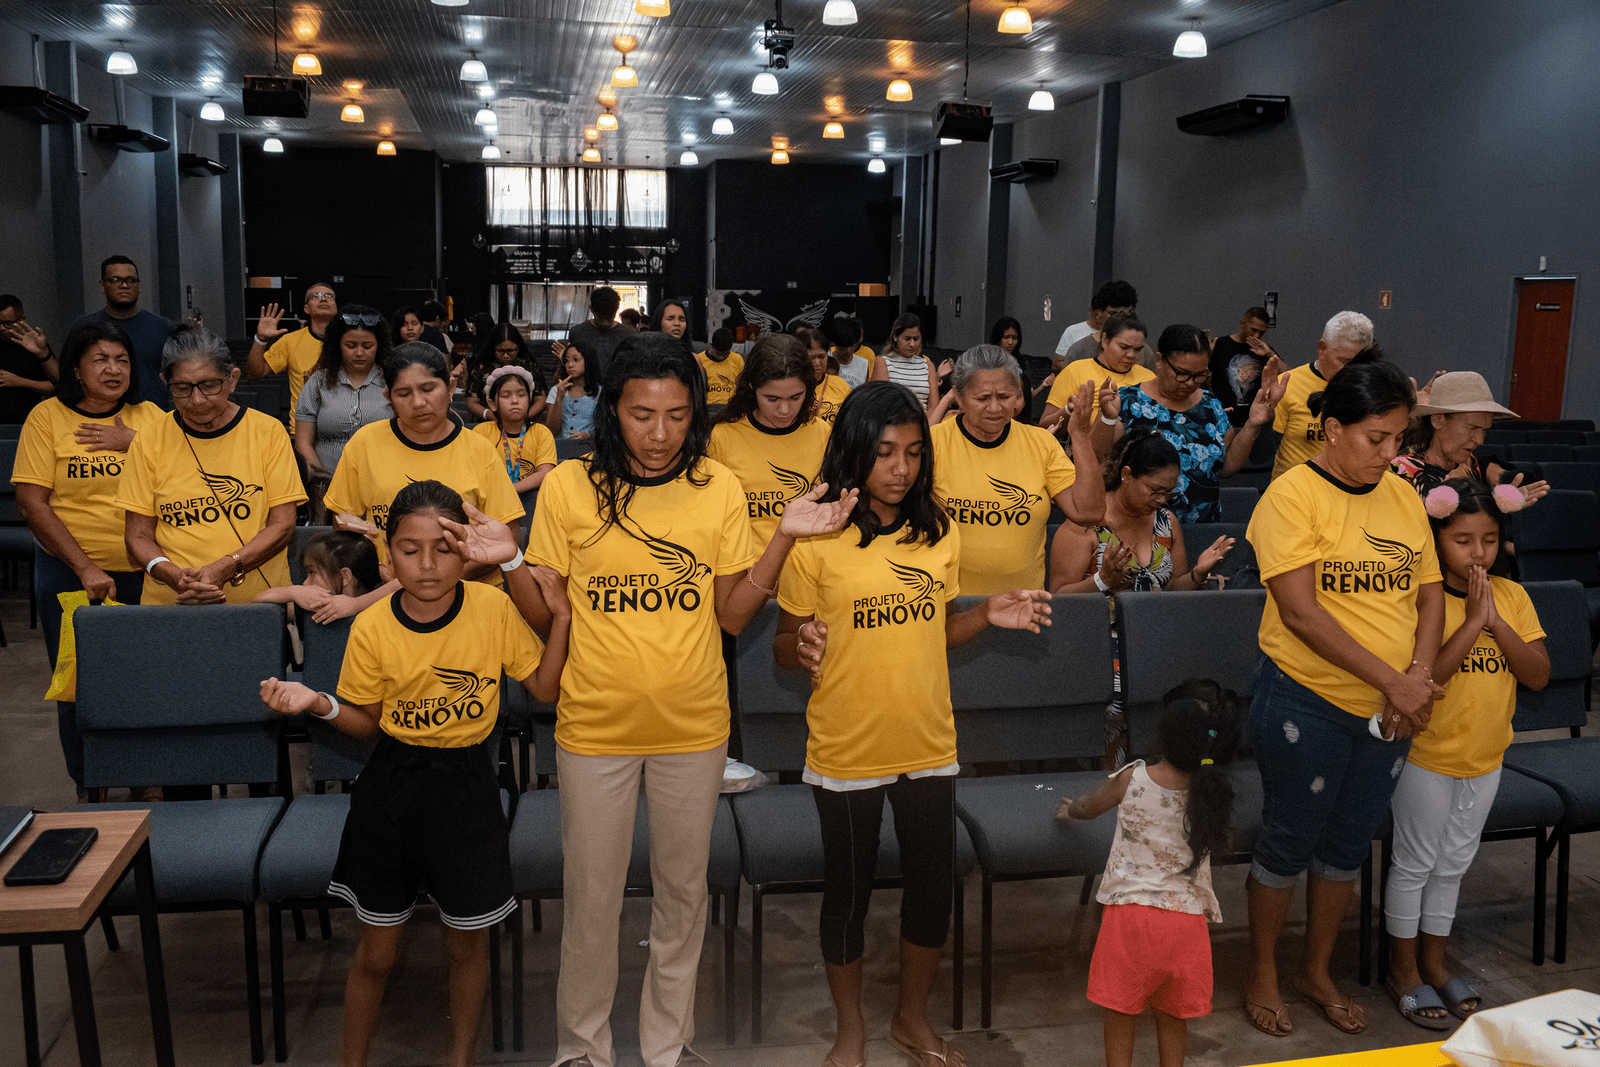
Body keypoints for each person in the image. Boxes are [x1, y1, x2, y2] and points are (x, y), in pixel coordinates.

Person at [443, 332, 857, 1067]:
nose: (660, 432)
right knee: (593, 898)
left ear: (694, 412)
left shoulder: (717, 487)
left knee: (682, 896)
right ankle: (583, 1048)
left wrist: (783, 540)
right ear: (612, 411)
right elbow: (545, 618)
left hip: (693, 726)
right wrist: (508, 560)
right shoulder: (572, 487)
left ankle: (669, 1045)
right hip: (594, 726)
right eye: (641, 414)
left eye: (675, 414)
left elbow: (732, 616)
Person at [774, 380, 1054, 1067]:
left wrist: (985, 616)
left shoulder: (939, 530)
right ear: (854, 454)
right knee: (848, 891)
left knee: (933, 886)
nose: (900, 467)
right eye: (885, 452)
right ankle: (849, 1030)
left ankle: (910, 1019)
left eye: (912, 453)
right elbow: (784, 640)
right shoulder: (817, 535)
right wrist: (800, 644)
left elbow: (934, 627)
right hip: (846, 746)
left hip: (928, 741)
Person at [258, 479, 571, 1067]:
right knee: (377, 949)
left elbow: (546, 689)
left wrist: (559, 620)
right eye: (409, 549)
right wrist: (317, 704)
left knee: (466, 944)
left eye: (444, 547)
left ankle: (460, 1060)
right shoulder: (373, 626)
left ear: (467, 549)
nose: (427, 564)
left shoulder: (492, 607)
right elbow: (368, 723)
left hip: (469, 786)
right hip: (392, 788)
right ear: (387, 556)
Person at [1242, 359, 1445, 1039]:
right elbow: (1300, 612)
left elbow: (1428, 593)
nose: (1391, 454)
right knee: (1289, 841)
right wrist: (1396, 682)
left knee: (1348, 844)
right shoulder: (1292, 496)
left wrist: (1415, 674)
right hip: (1308, 699)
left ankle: (1317, 967)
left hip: (1392, 708)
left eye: (1398, 440)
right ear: (1331, 429)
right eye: (1376, 439)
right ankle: (1264, 968)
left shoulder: (1403, 496)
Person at [1382, 478, 1549, 1029]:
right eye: (1462, 540)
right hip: (1426, 754)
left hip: (1486, 754)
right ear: (1435, 541)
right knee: (1414, 864)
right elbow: (1427, 680)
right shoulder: (1422, 599)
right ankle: (1402, 968)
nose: (1479, 553)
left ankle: (1435, 960)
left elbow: (1538, 675)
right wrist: (1473, 621)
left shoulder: (1514, 597)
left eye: (1490, 539)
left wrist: (1496, 621)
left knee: (1453, 864)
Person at [11, 321, 164, 799]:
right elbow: (32, 503)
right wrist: (85, 567)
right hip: (71, 569)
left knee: (146, 681)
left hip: (146, 571)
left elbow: (184, 473)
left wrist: (133, 442)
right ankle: (89, 783)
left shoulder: (151, 416)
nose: (113, 369)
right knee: (79, 683)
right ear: (75, 367)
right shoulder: (47, 418)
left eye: (121, 360)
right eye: (100, 359)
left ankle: (147, 779)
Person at [1058, 681, 1240, 1067]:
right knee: (1173, 1017)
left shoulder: (1132, 778)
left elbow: (1090, 808)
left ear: (1163, 735)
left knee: (1121, 1013)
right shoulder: (1210, 795)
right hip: (1187, 928)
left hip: (1130, 921)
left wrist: (1070, 810)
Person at [1050, 430, 1236, 767]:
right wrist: (1102, 580)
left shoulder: (1166, 523)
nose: (1162, 500)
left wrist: (1197, 574)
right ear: (1126, 476)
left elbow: (1171, 593)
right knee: (1117, 706)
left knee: (1193, 700)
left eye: (1168, 492)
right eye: (1154, 490)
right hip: (1097, 646)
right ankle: (1116, 782)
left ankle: (1161, 782)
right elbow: (1059, 597)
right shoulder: (1087, 524)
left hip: (1155, 641)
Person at [117, 325, 306, 606]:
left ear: (232, 380)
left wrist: (227, 567)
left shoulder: (268, 432)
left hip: (256, 605)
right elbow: (138, 535)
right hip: (172, 602)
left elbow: (282, 526)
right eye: (182, 388)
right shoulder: (150, 438)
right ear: (165, 383)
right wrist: (173, 576)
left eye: (208, 386)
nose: (197, 400)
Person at [324, 343, 523, 586]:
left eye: (428, 389)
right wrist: (377, 570)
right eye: (403, 394)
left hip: (470, 588)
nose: (418, 402)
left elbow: (508, 535)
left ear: (450, 387)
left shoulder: (480, 450)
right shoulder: (364, 444)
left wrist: (435, 580)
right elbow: (343, 522)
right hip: (385, 590)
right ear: (389, 398)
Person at [931, 345, 1105, 594]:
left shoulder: (1041, 443)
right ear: (958, 397)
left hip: (1023, 605)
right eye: (982, 398)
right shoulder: (933, 443)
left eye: (1004, 397)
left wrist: (1080, 437)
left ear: (1017, 396)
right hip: (949, 605)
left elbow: (1088, 512)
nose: (994, 408)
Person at [1099, 324, 1287, 524]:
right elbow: (1100, 459)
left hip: (1203, 527)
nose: (1190, 382)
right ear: (1160, 361)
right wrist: (1107, 418)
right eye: (1182, 373)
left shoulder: (1211, 405)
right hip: (1141, 527)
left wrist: (1253, 423)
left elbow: (1227, 467)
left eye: (1199, 375)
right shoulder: (1128, 402)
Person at [709, 333, 832, 550]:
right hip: (750, 573)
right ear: (751, 388)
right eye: (772, 399)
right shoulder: (723, 437)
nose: (784, 411)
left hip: (810, 572)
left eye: (795, 397)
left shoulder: (822, 433)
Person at [1393, 371, 1548, 507]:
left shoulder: (1469, 464)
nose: (1480, 440)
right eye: (1473, 428)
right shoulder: (1400, 471)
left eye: (1484, 431)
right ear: (1438, 420)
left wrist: (1499, 508)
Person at [294, 305, 394, 484]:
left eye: (368, 346)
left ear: (379, 345)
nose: (359, 353)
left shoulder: (393, 382)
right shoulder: (318, 382)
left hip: (382, 483)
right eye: (350, 345)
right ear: (337, 345)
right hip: (326, 484)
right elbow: (303, 443)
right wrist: (321, 480)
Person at [1270, 311, 1375, 479]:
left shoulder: (1371, 389)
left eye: (1359, 363)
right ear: (1322, 349)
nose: (1350, 370)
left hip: (1347, 491)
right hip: (1296, 491)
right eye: (1343, 361)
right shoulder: (1287, 384)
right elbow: (1261, 455)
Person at [71, 256, 172, 409]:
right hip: (99, 417)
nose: (125, 285)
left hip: (153, 419)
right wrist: (43, 354)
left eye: (131, 280)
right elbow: (67, 376)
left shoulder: (162, 327)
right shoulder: (85, 326)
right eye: (116, 280)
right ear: (102, 285)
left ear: (139, 285)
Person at [1041, 312, 1155, 435]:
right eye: (1123, 347)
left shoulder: (1149, 378)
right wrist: (1068, 410)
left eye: (1138, 349)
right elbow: (1044, 428)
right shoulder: (1076, 371)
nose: (1131, 355)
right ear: (1105, 340)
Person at [247, 283, 340, 418]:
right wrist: (260, 338)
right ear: (306, 308)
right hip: (304, 428)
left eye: (329, 296)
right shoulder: (290, 341)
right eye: (316, 296)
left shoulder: (349, 340)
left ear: (336, 308)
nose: (323, 299)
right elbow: (255, 373)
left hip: (343, 427)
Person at [255, 529, 383, 624]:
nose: (305, 583)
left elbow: (397, 586)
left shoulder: (379, 606)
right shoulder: (315, 607)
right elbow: (259, 602)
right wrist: (292, 592)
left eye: (312, 572)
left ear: (345, 577)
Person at [473, 366, 558, 495]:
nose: (514, 401)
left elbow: (545, 472)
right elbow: (474, 472)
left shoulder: (541, 432)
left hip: (532, 502)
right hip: (492, 500)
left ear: (529, 400)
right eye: (506, 396)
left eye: (521, 395)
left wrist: (509, 491)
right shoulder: (481, 432)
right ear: (492, 404)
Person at [1056, 281, 1157, 372]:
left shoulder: (1143, 351)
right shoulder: (1080, 350)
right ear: (1100, 313)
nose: (1122, 319)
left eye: (1129, 313)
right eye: (1114, 314)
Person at [1209, 307, 1280, 426]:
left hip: (1252, 420)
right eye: (1253, 330)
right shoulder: (1222, 345)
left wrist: (1270, 354)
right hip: (1223, 418)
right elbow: (1204, 378)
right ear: (1243, 324)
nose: (1256, 336)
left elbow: (1288, 375)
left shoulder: (1263, 349)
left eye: (1261, 332)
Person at [466, 323, 547, 424]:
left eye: (511, 351)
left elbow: (541, 399)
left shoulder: (530, 366)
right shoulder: (481, 367)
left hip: (524, 423)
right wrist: (488, 414)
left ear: (518, 347)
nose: (505, 356)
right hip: (490, 423)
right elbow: (471, 402)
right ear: (493, 348)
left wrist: (524, 418)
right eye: (500, 351)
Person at [870, 314, 949, 409]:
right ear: (895, 337)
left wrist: (927, 423)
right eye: (907, 339)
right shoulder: (883, 363)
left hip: (925, 421)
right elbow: (881, 404)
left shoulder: (927, 365)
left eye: (916, 339)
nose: (912, 344)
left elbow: (934, 407)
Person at [0, 294, 58, 422]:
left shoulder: (36, 346)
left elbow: (54, 385)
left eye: (7, 323)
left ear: (22, 319)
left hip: (26, 422)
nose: (1, 328)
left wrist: (18, 381)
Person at [559, 286, 636, 368]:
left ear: (617, 309)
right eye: (601, 317)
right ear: (591, 309)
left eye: (609, 317)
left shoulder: (630, 334)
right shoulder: (577, 333)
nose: (605, 322)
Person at [546, 339, 602, 439]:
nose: (570, 365)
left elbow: (607, 429)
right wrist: (559, 398)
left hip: (589, 449)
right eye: (566, 360)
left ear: (588, 361)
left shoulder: (600, 392)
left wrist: (589, 436)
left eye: (576, 360)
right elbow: (551, 431)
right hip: (561, 448)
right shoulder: (556, 390)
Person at [798, 326, 852, 421]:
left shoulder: (840, 384)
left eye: (821, 356)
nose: (817, 363)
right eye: (811, 358)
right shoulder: (792, 387)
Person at [698, 327, 745, 407]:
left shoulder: (737, 359)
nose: (721, 358)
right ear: (711, 345)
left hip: (730, 407)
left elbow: (743, 385)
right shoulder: (699, 360)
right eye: (718, 354)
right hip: (708, 407)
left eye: (725, 354)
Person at [827, 316, 870, 389]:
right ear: (834, 344)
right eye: (844, 347)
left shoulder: (863, 364)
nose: (849, 350)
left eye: (852, 345)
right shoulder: (825, 361)